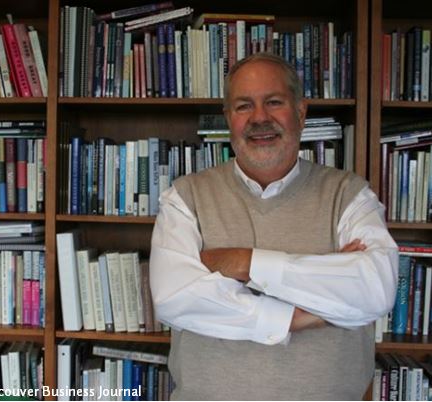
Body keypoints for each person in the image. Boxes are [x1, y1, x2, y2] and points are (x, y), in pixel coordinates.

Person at [149, 52, 398, 400]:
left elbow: (375, 288)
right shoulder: (185, 197)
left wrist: (244, 262)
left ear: (300, 112)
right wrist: (305, 314)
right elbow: (175, 298)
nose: (259, 118)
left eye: (274, 102)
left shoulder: (350, 195)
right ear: (228, 118)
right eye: (243, 106)